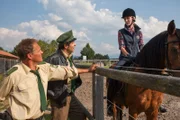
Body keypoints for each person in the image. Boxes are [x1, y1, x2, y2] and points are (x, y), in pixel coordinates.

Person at [0, 38, 79, 120]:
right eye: (39, 50)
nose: (42, 52)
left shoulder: (43, 68)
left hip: (40, 117)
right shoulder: (13, 75)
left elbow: (64, 71)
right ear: (30, 56)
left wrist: (87, 70)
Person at [45, 30, 98, 120]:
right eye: (73, 43)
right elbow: (68, 71)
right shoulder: (56, 59)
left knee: (80, 114)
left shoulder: (66, 57)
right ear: (66, 46)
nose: (75, 45)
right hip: (59, 97)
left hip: (67, 93)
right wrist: (88, 70)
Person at [107, 8, 144, 116]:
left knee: (151, 71)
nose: (126, 20)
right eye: (125, 18)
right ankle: (109, 103)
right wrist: (129, 56)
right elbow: (122, 47)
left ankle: (157, 103)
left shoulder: (139, 33)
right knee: (113, 75)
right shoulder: (121, 32)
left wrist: (142, 56)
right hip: (125, 58)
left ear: (133, 18)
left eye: (128, 18)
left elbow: (141, 46)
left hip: (137, 58)